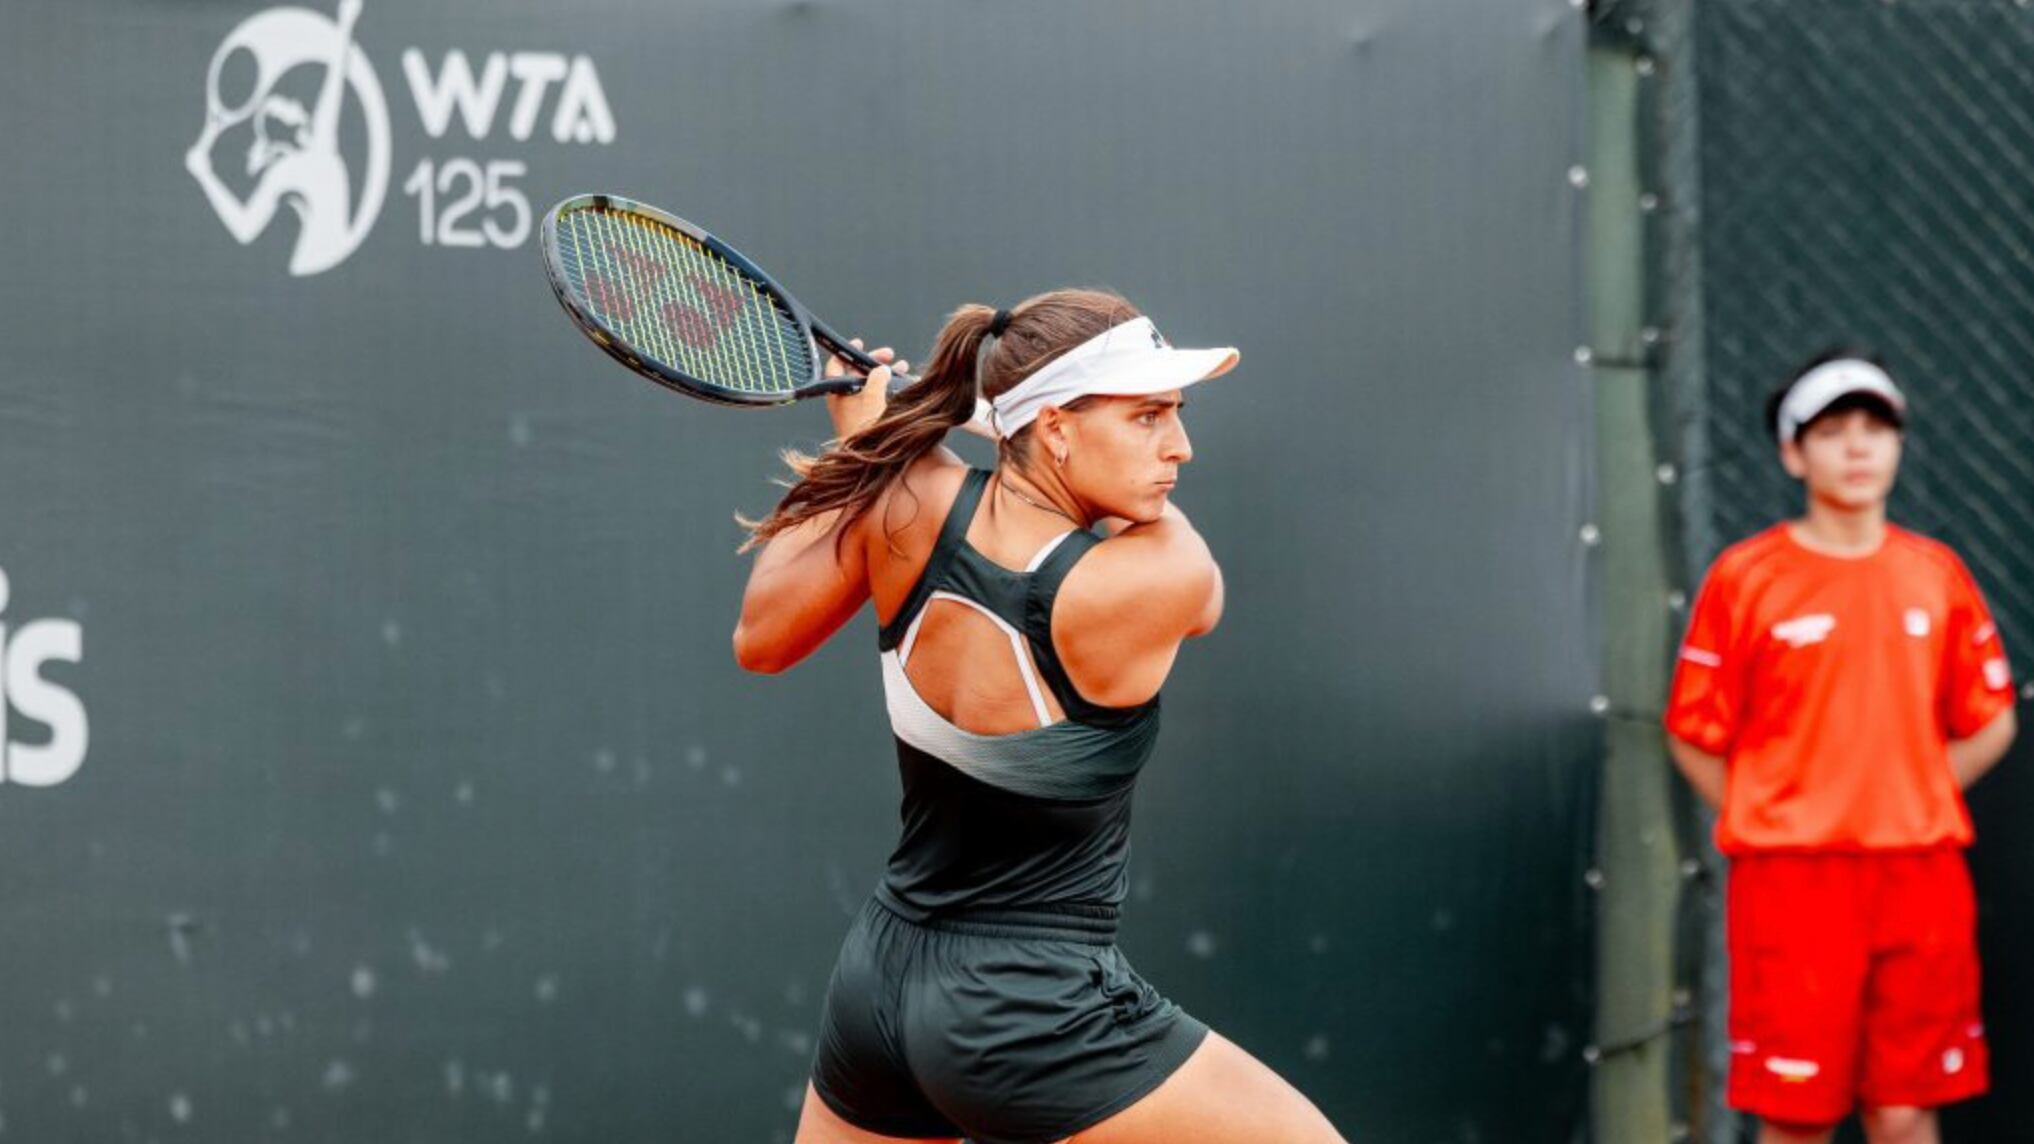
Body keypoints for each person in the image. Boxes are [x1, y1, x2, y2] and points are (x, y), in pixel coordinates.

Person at [732, 289, 1345, 1143]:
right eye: (1148, 416)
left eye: (1176, 414)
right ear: (1056, 427)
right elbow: (1202, 587)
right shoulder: (1144, 582)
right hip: (1028, 1010)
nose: (1181, 447)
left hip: (877, 990)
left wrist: (876, 443)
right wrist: (987, 425)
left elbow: (759, 636)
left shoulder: (905, 503)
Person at [1663, 350, 2019, 1144]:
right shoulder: (1745, 577)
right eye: (1832, 430)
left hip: (1920, 882)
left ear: (1896, 446)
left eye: (1875, 428)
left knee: (1903, 1111)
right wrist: (1778, 812)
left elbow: (1991, 720)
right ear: (1794, 453)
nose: (1858, 448)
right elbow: (1692, 733)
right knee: (1796, 1119)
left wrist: (1916, 791)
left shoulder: (1938, 575)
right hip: (1792, 891)